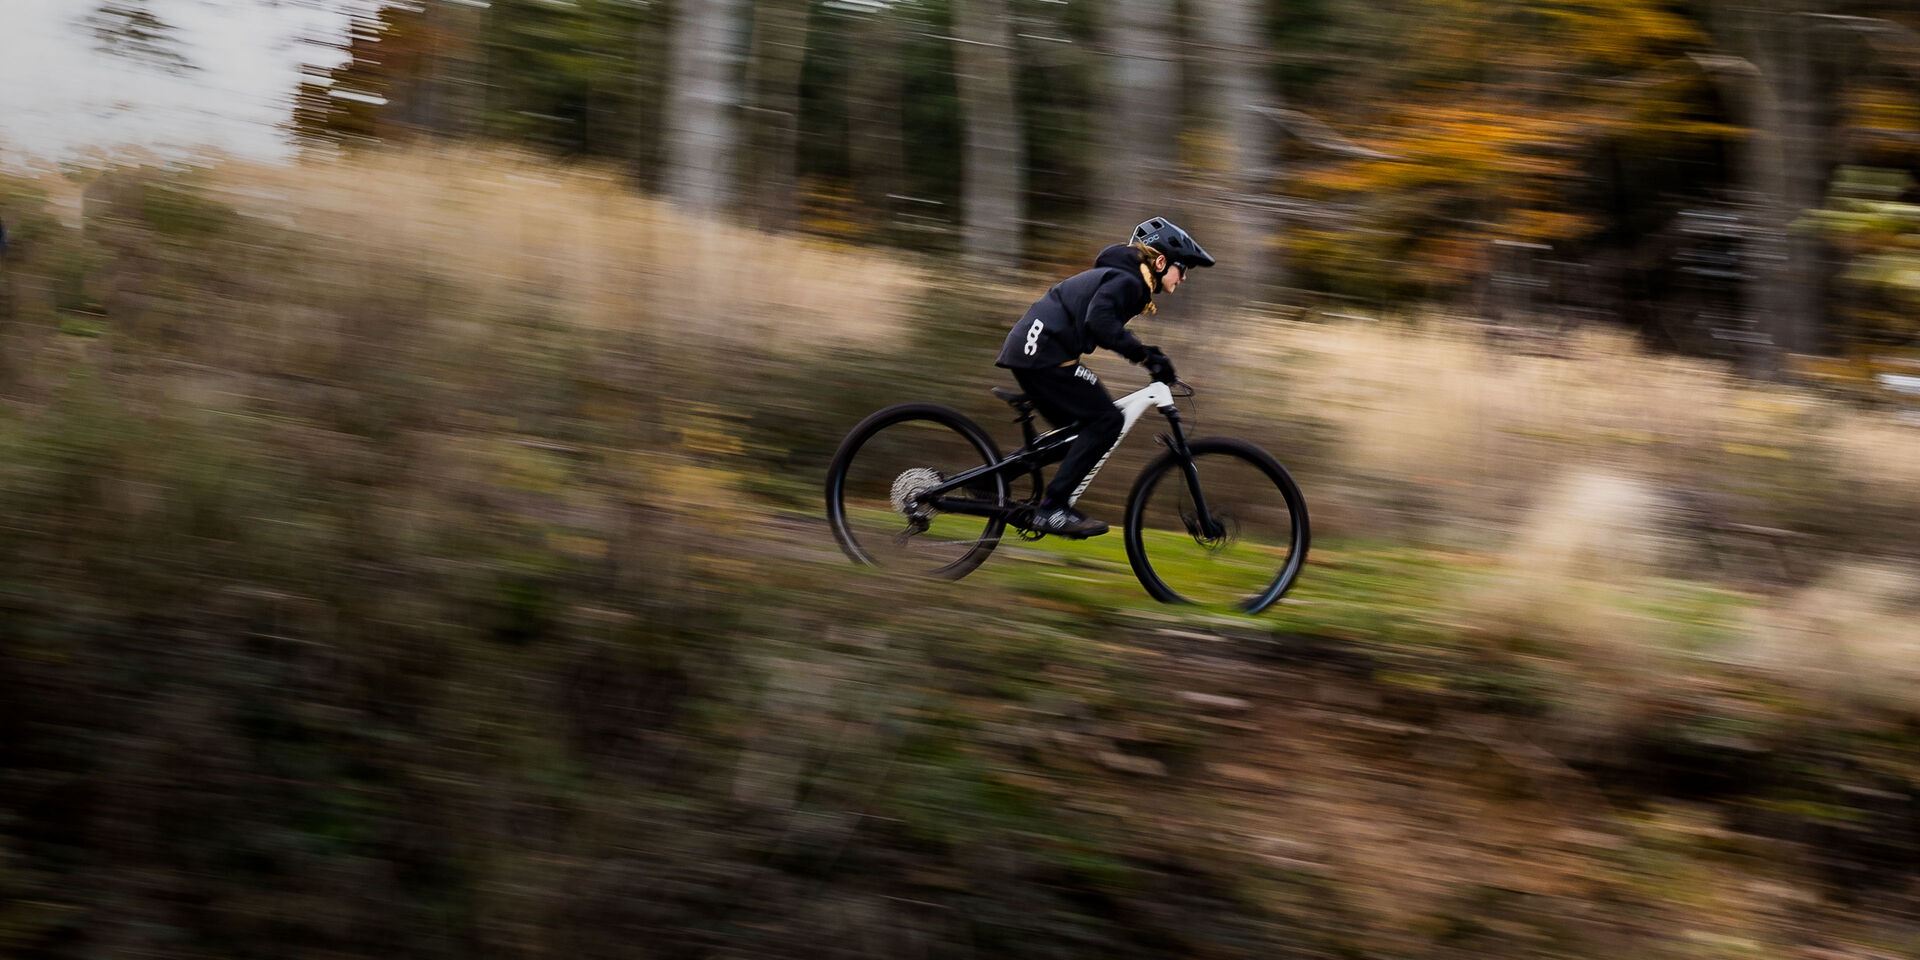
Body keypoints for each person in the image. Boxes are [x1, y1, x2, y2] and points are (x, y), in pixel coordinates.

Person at [994, 217, 1214, 538]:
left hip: (1034, 351)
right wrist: (1147, 356)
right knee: (1107, 421)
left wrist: (1145, 354)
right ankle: (1053, 509)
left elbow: (1103, 321)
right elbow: (1100, 323)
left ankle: (992, 482)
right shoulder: (1129, 282)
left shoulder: (1124, 279)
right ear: (1161, 262)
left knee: (1078, 434)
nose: (1183, 278)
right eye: (1183, 269)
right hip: (1042, 353)